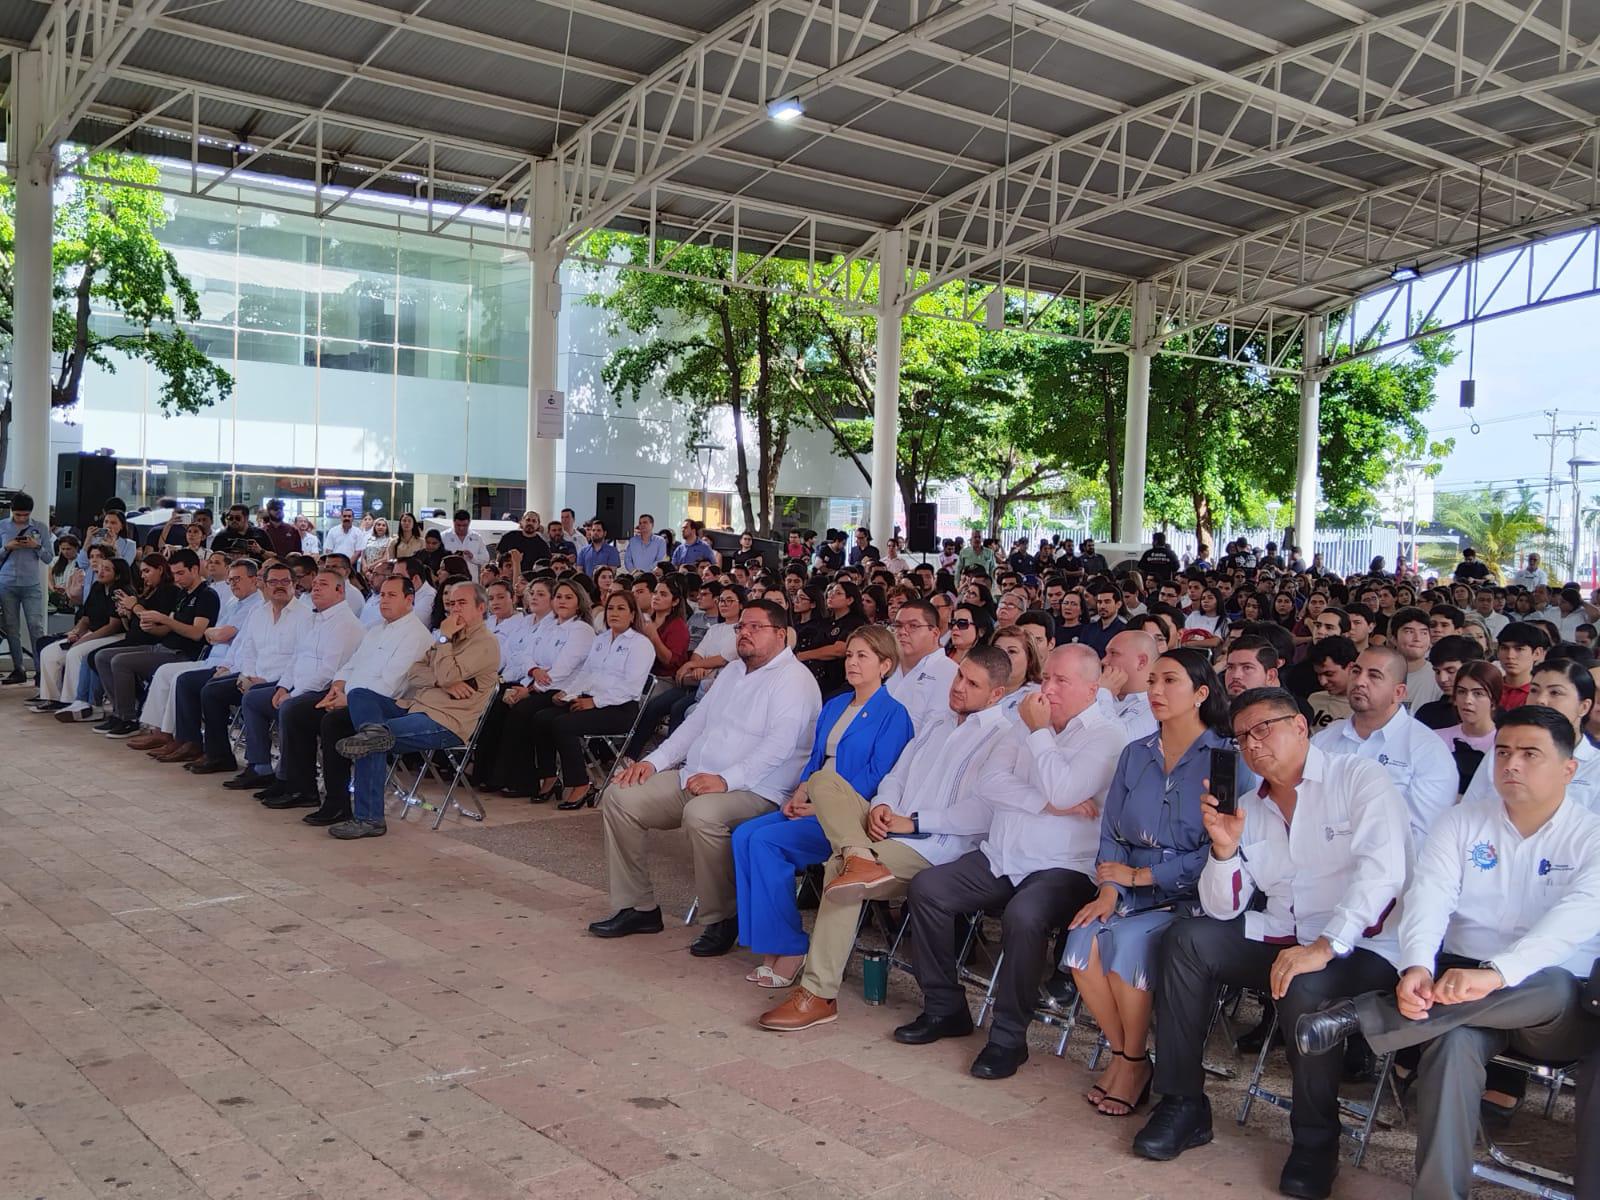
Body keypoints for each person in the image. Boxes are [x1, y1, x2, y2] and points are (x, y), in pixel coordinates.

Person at [1293, 704, 1600, 1200]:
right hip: (1454, 992)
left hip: (1552, 1003)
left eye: (1529, 754)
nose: (1511, 764)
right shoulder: (1462, 822)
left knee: (1551, 982)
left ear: (1569, 768)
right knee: (1451, 1047)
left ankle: (1367, 1016)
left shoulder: (1591, 835)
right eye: (1502, 752)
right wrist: (1416, 963)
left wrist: (1499, 973)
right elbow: (1430, 897)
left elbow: (1575, 921)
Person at [1132, 687, 1410, 1200]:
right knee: (1187, 939)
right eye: (1242, 737)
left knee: (1305, 987)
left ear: (1301, 725)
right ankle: (1183, 1102)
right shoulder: (1247, 806)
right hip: (1284, 935)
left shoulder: (1359, 778)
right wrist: (1224, 848)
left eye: (1265, 728)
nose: (1253, 743)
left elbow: (1383, 874)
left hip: (1362, 947)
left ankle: (1315, 1140)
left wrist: (1326, 946)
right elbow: (1223, 908)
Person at [900, 644, 1127, 1079]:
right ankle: (945, 1007)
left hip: (1063, 866)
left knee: (1025, 916)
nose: (1049, 688)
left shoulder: (1107, 735)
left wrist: (1041, 738)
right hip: (1002, 856)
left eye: (1062, 681)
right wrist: (1048, 805)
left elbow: (1065, 788)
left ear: (1092, 688)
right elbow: (991, 784)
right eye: (1047, 678)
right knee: (928, 889)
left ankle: (1008, 1038)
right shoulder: (1023, 725)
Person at [760, 646, 1014, 1031]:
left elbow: (983, 813)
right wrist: (882, 805)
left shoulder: (1006, 738)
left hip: (933, 844)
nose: (958, 686)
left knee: (839, 872)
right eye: (959, 675)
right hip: (888, 824)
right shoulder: (938, 722)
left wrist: (909, 822)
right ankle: (858, 853)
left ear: (996, 694)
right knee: (823, 780)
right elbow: (897, 773)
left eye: (972, 683)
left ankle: (819, 993)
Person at [589, 599, 821, 956]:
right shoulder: (732, 672)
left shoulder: (794, 680)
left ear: (780, 634)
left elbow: (778, 748)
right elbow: (695, 724)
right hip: (698, 776)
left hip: (760, 789)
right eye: (741, 626)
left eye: (755, 627)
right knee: (621, 797)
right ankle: (638, 907)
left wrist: (726, 780)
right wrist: (654, 762)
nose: (744, 633)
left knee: (703, 816)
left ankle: (722, 918)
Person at [1066, 648, 1235, 1115]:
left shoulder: (1223, 760)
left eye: (1171, 681)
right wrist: (1108, 890)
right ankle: (1131, 1057)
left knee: (1125, 943)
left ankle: (1129, 1062)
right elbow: (1112, 832)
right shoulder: (1135, 753)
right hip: (1126, 885)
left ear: (1201, 693)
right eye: (1153, 680)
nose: (1156, 691)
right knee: (1082, 942)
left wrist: (1144, 876)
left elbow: (1217, 850)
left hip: (1190, 894)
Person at [736, 626, 913, 1006]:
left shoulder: (894, 715)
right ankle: (772, 943)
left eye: (862, 656)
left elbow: (876, 776)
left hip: (844, 815)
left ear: (885, 664)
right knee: (744, 835)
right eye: (849, 655)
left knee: (766, 842)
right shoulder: (835, 704)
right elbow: (816, 760)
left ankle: (791, 947)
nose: (851, 662)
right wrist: (798, 794)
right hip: (811, 799)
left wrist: (819, 806)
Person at [331, 580, 500, 839]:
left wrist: (443, 642)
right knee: (360, 694)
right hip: (415, 709)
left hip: (446, 722)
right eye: (452, 603)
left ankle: (369, 819)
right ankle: (369, 734)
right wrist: (442, 680)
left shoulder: (484, 643)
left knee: (374, 739)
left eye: (462, 603)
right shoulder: (452, 637)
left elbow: (445, 672)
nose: (455, 609)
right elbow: (415, 673)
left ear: (481, 608)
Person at [261, 572, 431, 812]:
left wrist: (347, 698)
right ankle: (303, 788)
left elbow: (392, 684)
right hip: (352, 697)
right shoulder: (376, 630)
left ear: (409, 600)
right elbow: (351, 665)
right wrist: (337, 687)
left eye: (392, 595)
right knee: (297, 712)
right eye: (382, 595)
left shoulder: (416, 635)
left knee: (333, 723)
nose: (384, 600)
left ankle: (337, 802)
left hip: (384, 707)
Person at [224, 568, 364, 791]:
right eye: (315, 583)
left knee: (291, 708)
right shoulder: (317, 618)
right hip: (299, 686)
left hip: (323, 692)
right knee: (253, 699)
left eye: (323, 585)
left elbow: (328, 672)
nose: (316, 588)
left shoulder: (346, 624)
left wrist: (293, 693)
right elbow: (297, 658)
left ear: (340, 591)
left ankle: (291, 780)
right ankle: (261, 767)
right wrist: (282, 686)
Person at [1312, 645, 1457, 844]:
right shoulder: (1323, 741)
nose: (1360, 682)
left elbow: (1423, 835)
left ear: (1398, 692)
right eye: (1356, 671)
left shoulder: (1428, 751)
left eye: (1374, 675)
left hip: (1393, 870)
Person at [526, 589, 655, 809]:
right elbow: (586, 674)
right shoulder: (601, 640)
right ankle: (549, 777)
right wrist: (567, 694)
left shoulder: (641, 644)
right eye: (611, 608)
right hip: (591, 701)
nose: (614, 613)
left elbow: (630, 687)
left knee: (563, 725)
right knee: (541, 717)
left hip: (619, 709)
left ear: (633, 615)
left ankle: (581, 784)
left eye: (621, 608)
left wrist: (594, 703)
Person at [124, 559, 264, 757]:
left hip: (230, 664)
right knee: (164, 672)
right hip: (214, 657)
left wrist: (214, 634)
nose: (233, 584)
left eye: (238, 579)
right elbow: (212, 633)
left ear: (254, 579)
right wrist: (214, 633)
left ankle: (182, 738)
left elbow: (219, 635)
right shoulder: (234, 603)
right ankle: (160, 731)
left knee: (180, 679)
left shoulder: (256, 604)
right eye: (230, 580)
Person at [181, 564, 307, 775]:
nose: (279, 587)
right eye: (273, 582)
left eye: (285, 582)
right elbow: (247, 646)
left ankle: (259, 767)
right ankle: (219, 755)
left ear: (294, 585)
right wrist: (247, 674)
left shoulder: (304, 615)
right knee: (211, 690)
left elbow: (299, 658)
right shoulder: (258, 612)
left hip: (284, 681)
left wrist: (270, 682)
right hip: (254, 675)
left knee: (252, 697)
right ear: (264, 585)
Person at [91, 548, 221, 738]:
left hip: (182, 653)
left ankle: (128, 718)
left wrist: (163, 620)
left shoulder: (206, 595)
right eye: (174, 573)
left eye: (181, 573)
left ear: (194, 569)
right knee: (102, 657)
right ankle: (120, 712)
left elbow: (196, 633)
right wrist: (149, 626)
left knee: (120, 661)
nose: (177, 578)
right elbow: (166, 628)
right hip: (164, 645)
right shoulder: (183, 594)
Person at [29, 550, 131, 711]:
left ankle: (76, 701)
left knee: (76, 653)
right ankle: (52, 699)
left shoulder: (121, 592)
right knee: (49, 653)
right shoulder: (97, 587)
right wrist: (76, 632)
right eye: (101, 568)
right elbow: (85, 617)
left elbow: (113, 626)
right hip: (93, 632)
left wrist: (85, 640)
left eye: (107, 569)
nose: (100, 571)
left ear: (118, 575)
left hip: (116, 635)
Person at [0, 493, 53, 683]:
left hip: (31, 585)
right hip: (6, 584)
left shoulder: (40, 527)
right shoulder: (2, 526)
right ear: (12, 511)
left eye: (25, 515)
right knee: (11, 628)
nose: (22, 518)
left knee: (36, 627)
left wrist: (36, 546)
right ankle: (18, 669)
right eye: (18, 515)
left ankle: (40, 671)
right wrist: (7, 547)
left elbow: (49, 557)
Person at [885, 599, 958, 734]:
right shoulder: (886, 667)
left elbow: (934, 733)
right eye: (898, 626)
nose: (902, 632)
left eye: (913, 626)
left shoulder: (950, 673)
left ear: (935, 633)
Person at [1435, 659, 1502, 794]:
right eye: (1461, 692)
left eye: (1478, 693)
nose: (1467, 700)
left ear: (1493, 701)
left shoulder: (1503, 744)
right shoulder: (1435, 739)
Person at [1097, 630, 1158, 741]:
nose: (1104, 661)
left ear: (1141, 662)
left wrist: (1103, 693)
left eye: (1114, 653)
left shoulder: (1155, 705)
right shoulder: (1104, 693)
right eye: (1106, 654)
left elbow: (1120, 742)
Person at [1413, 634, 1484, 730]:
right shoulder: (1428, 713)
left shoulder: (1492, 713)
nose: (1442, 679)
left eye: (1450, 671)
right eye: (1437, 672)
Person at [1305, 636, 1358, 733]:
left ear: (1351, 668)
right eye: (1318, 675)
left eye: (1329, 674)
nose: (1323, 682)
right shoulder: (1314, 699)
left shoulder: (1364, 707)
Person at [1495, 621, 1549, 711]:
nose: (1510, 656)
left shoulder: (1544, 694)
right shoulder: (1489, 688)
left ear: (1537, 653)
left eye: (1519, 649)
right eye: (1504, 648)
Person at [1079, 578, 1127, 658]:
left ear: (1118, 604)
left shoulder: (1123, 631)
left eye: (1107, 602)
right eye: (1099, 602)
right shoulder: (1088, 628)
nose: (1102, 606)